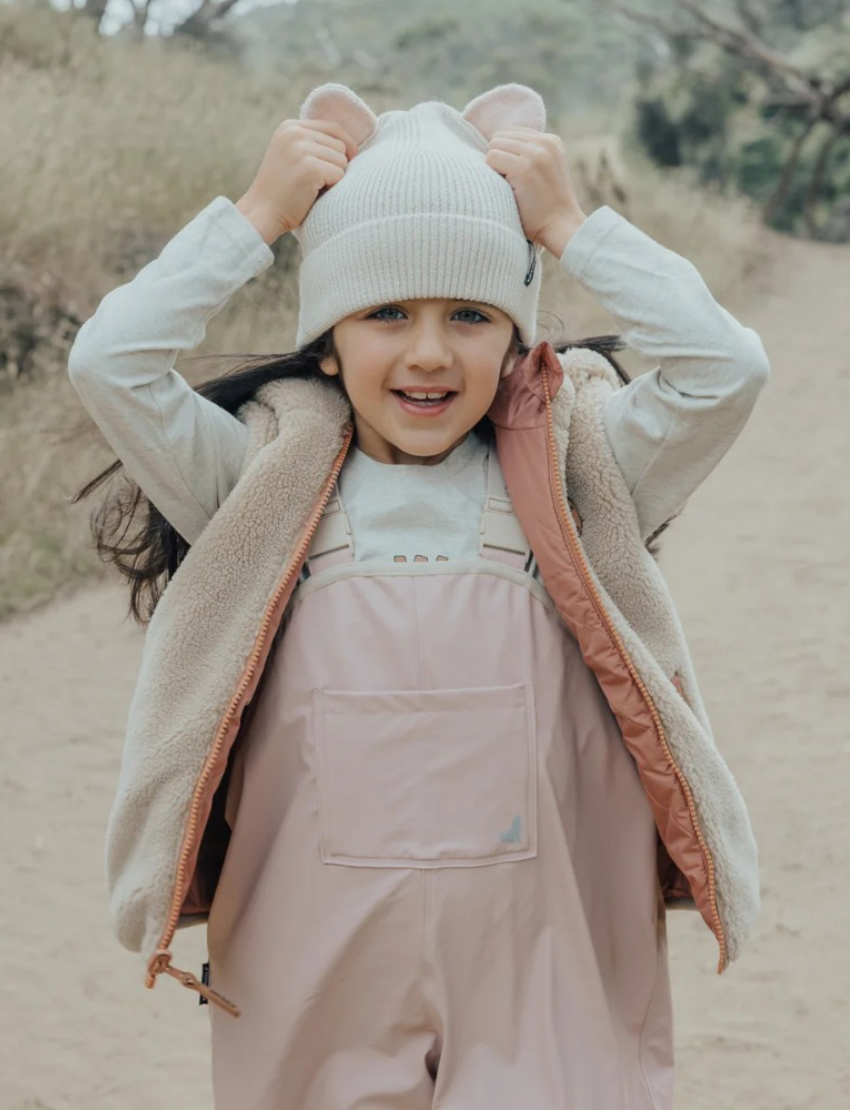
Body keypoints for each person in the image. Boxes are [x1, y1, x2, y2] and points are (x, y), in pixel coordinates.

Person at [68, 81, 769, 1109]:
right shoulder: (252, 484)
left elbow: (726, 369)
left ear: (519, 335)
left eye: (472, 315)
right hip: (313, 958)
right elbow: (110, 361)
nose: (431, 351)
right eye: (386, 312)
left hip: (551, 954)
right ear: (329, 337)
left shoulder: (580, 473)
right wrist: (258, 216)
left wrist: (569, 227)